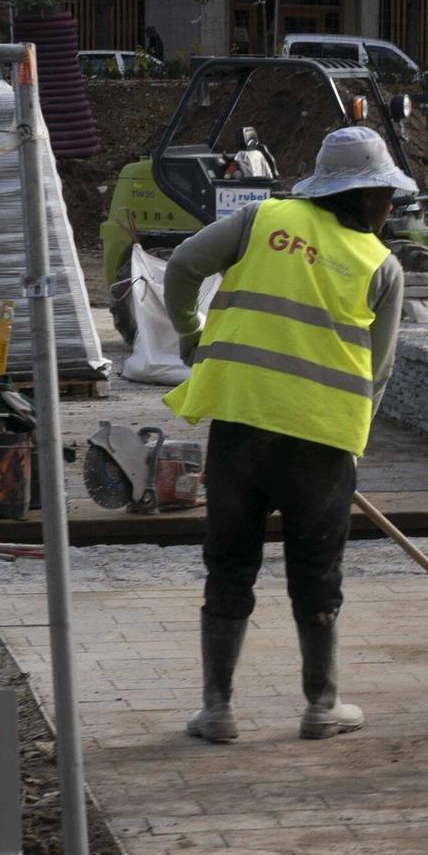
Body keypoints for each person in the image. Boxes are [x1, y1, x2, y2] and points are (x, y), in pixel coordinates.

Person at [162, 126, 410, 743]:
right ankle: (321, 707)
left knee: (229, 563)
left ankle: (217, 711)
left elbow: (184, 265)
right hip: (321, 444)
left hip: (242, 425)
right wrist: (350, 448)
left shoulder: (261, 219)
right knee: (317, 570)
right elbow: (377, 375)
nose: (389, 209)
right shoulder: (382, 265)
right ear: (366, 195)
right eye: (386, 197)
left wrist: (192, 336)